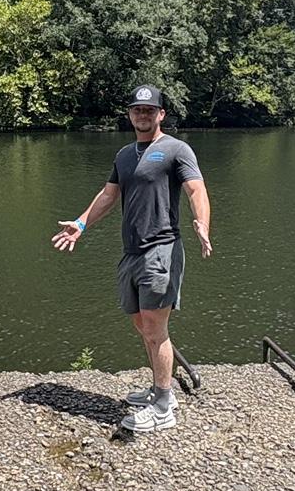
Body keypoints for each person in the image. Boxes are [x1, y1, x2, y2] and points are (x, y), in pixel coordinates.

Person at [51, 84, 212, 433]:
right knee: (141, 324)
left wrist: (202, 222)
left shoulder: (176, 149)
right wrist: (81, 224)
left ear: (161, 114)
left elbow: (196, 189)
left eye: (149, 110)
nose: (143, 115)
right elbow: (109, 195)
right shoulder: (125, 155)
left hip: (162, 249)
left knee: (155, 327)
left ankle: (164, 406)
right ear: (130, 114)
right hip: (132, 253)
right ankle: (159, 388)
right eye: (137, 110)